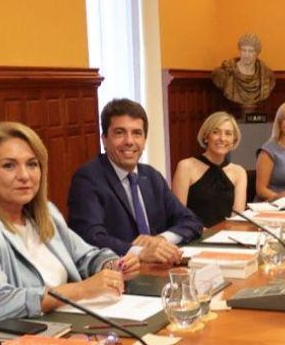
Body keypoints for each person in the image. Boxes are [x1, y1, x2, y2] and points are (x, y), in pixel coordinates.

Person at [0, 121, 135, 341]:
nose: (24, 175)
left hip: (63, 330)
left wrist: (113, 266)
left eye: (32, 164)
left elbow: (85, 256)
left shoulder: (45, 213)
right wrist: (80, 290)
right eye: (9, 166)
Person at [68, 98, 202, 265]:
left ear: (144, 140)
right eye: (119, 132)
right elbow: (90, 237)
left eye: (137, 133)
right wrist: (140, 252)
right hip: (117, 275)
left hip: (158, 270)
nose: (129, 141)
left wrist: (160, 240)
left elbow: (191, 221)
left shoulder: (152, 176)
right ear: (104, 139)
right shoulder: (88, 179)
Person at [173, 111, 248, 227]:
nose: (222, 138)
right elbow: (178, 215)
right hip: (193, 236)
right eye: (216, 132)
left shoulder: (239, 172)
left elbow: (237, 218)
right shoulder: (186, 166)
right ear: (206, 136)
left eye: (228, 134)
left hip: (226, 238)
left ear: (233, 140)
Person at [210, 32, 276, 117]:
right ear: (239, 51)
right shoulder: (225, 73)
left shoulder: (267, 75)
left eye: (251, 51)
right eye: (244, 50)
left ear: (257, 53)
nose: (247, 55)